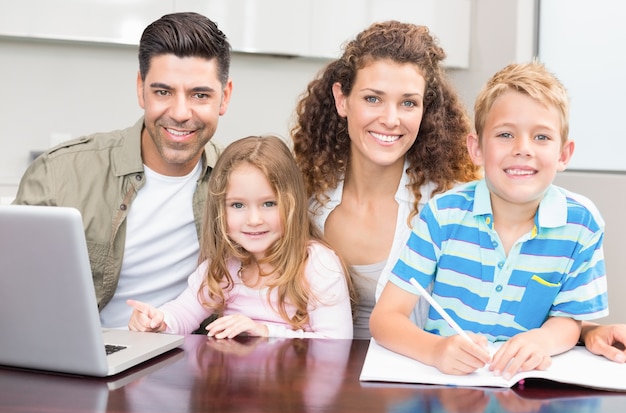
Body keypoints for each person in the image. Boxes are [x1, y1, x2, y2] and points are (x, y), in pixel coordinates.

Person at [370, 61, 609, 378]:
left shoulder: (582, 224)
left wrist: (541, 340)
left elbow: (569, 319)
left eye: (541, 137)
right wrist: (435, 350)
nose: (523, 149)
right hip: (442, 384)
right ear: (477, 148)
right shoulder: (443, 214)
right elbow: (385, 318)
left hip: (525, 389)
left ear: (564, 154)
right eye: (506, 134)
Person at [12, 12, 231, 329]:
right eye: (163, 92)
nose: (181, 113)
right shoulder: (59, 174)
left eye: (200, 94)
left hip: (191, 362)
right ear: (141, 89)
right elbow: (14, 291)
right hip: (84, 359)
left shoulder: (244, 180)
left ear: (224, 96)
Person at [291, 20, 480, 340]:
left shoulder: (452, 204)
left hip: (416, 376)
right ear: (342, 100)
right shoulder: (304, 196)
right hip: (319, 373)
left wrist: (582, 328)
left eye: (408, 102)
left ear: (425, 110)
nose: (390, 120)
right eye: (373, 99)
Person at [127, 135, 354, 338]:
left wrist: (265, 332)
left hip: (293, 383)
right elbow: (183, 314)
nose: (254, 219)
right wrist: (158, 321)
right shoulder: (225, 267)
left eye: (268, 204)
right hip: (237, 384)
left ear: (292, 204)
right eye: (237, 205)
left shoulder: (317, 263)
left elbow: (337, 344)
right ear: (220, 211)